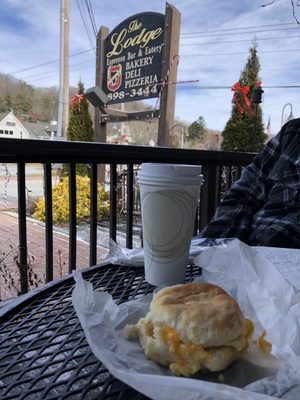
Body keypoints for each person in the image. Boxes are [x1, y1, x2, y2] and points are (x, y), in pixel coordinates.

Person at [199, 118, 300, 248]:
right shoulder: (293, 133)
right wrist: (222, 246)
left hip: (283, 259)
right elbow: (243, 193)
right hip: (238, 251)